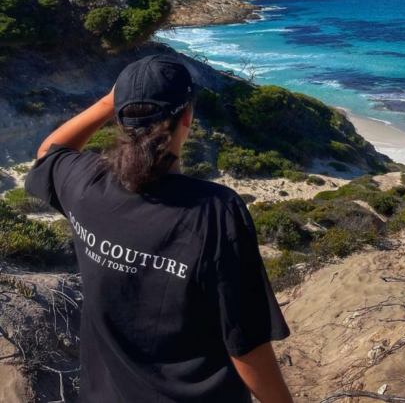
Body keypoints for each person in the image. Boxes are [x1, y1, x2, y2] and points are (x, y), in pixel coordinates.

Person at [24, 55, 294, 403]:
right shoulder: (215, 211)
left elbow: (49, 152)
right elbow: (246, 345)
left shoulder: (85, 183)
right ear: (187, 117)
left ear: (119, 119)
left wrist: (111, 101)